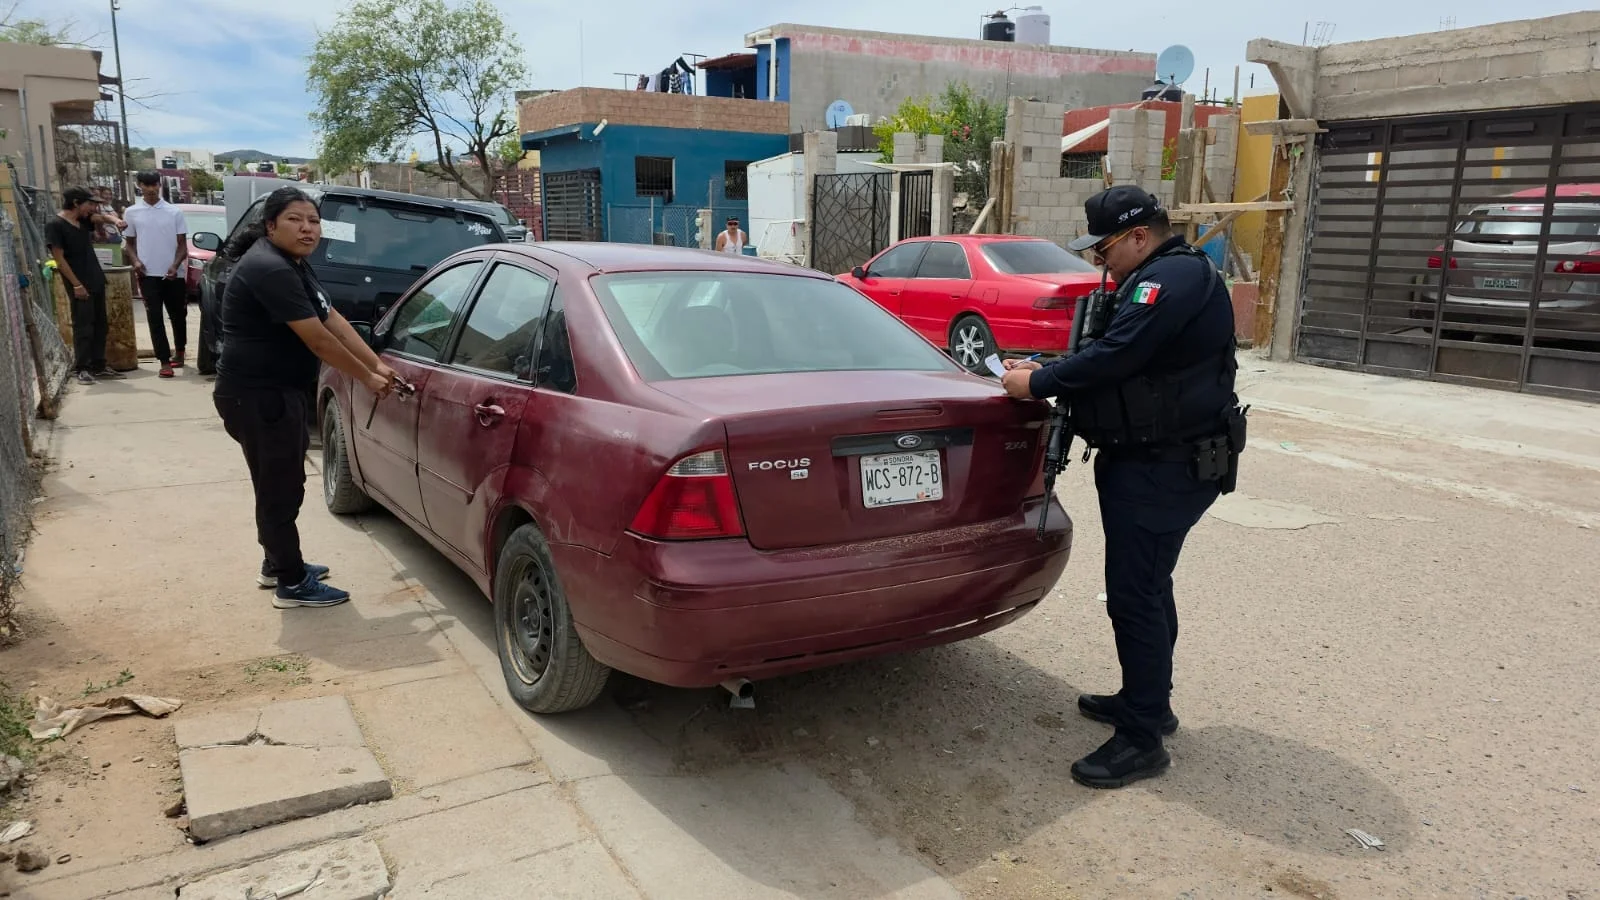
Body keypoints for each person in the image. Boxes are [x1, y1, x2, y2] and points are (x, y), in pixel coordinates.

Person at [1001, 185, 1243, 789]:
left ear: (1140, 236)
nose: (1097, 262)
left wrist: (1036, 383)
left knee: (1134, 596)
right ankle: (1148, 703)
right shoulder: (1158, 276)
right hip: (1151, 461)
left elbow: (1115, 355)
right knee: (1148, 589)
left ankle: (1141, 739)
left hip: (1165, 468)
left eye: (1103, 249)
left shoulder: (1172, 282)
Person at [213, 186, 399, 609]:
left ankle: (279, 563)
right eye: (296, 219)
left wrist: (376, 363)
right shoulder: (270, 269)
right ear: (271, 225)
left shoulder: (293, 264)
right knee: (279, 488)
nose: (307, 228)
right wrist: (367, 379)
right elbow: (317, 339)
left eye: (313, 220)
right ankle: (291, 584)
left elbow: (330, 317)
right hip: (258, 396)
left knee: (282, 482)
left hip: (276, 393)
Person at [46, 187, 121, 385]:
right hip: (79, 283)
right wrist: (77, 285)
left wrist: (115, 220)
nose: (92, 208)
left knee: (100, 324)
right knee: (84, 326)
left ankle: (98, 364)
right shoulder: (56, 225)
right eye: (89, 204)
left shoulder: (82, 221)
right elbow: (59, 259)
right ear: (76, 203)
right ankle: (83, 368)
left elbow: (100, 218)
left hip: (95, 279)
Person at [123, 171, 191, 377]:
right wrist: (135, 261)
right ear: (139, 186)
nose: (151, 189)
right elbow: (129, 244)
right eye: (146, 185)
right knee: (155, 316)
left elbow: (182, 245)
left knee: (178, 315)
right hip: (147, 274)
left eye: (154, 185)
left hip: (173, 273)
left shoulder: (174, 212)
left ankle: (179, 351)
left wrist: (175, 264)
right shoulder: (132, 212)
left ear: (159, 186)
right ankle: (164, 361)